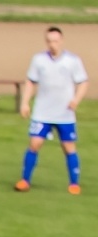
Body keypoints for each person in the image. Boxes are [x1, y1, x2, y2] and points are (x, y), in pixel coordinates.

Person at [16, 27, 86, 194]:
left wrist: (76, 100)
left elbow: (83, 82)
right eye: (49, 41)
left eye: (55, 41)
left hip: (64, 113)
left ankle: (74, 183)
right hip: (42, 112)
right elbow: (31, 81)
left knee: (68, 147)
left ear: (61, 41)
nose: (52, 44)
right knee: (34, 144)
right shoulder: (39, 60)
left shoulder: (72, 60)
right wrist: (25, 103)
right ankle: (25, 180)